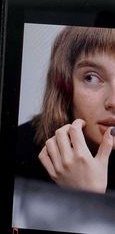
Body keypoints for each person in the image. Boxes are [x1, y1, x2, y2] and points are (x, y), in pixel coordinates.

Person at [16, 26, 115, 194]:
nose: (113, 101)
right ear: (64, 86)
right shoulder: (15, 149)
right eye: (91, 77)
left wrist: (87, 194)